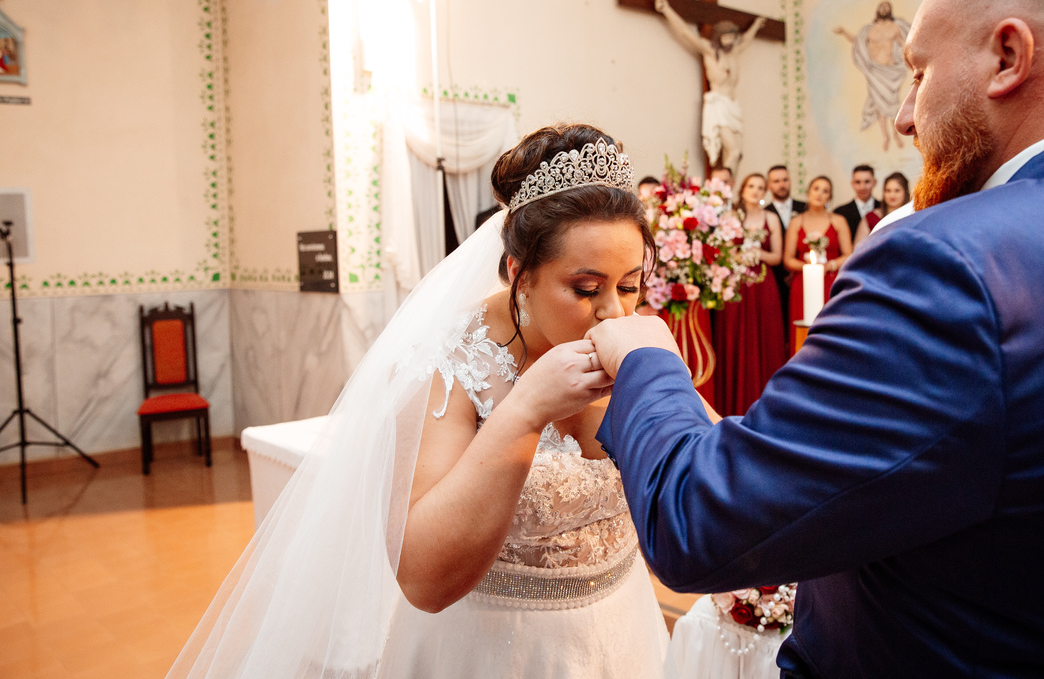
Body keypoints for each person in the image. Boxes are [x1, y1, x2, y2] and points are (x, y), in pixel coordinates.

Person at [566, 0, 1044, 676]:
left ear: (1007, 55)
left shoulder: (950, 263)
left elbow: (700, 524)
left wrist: (646, 356)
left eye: (920, 72)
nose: (903, 116)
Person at [168, 125, 670, 678]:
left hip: (627, 635)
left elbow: (699, 468)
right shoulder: (446, 363)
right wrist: (526, 411)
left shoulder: (634, 339)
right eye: (585, 288)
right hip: (494, 651)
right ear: (518, 276)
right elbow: (423, 578)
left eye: (629, 285)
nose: (614, 314)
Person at [655, 0, 766, 174]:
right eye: (726, 37)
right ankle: (722, 189)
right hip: (719, 104)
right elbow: (685, 32)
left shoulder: (735, 52)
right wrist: (666, 9)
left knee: (738, 154)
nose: (730, 41)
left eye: (732, 37)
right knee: (733, 150)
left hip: (733, 105)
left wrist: (756, 25)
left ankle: (731, 188)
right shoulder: (709, 50)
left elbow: (746, 39)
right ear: (719, 37)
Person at [712, 174, 786, 417]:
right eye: (751, 186)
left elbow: (777, 256)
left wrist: (757, 254)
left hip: (764, 283)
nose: (756, 191)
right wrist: (736, 256)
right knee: (735, 339)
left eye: (760, 187)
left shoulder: (771, 218)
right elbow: (720, 250)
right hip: (735, 284)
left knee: (765, 339)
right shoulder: (730, 216)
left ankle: (768, 406)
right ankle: (732, 406)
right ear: (742, 189)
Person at [782, 176, 852, 347]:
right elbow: (788, 259)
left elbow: (849, 254)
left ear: (830, 196)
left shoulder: (838, 221)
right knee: (804, 330)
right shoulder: (797, 222)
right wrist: (809, 268)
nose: (820, 194)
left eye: (825, 190)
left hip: (831, 282)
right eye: (816, 188)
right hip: (803, 284)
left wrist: (829, 266)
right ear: (809, 191)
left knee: (831, 329)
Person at [833, 1, 911, 151]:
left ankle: (895, 134)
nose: (883, 8)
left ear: (889, 10)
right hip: (875, 71)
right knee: (879, 105)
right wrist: (843, 32)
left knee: (893, 104)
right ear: (877, 10)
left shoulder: (894, 28)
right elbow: (858, 41)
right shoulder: (869, 30)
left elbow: (903, 44)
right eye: (881, 6)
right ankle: (886, 136)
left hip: (890, 71)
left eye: (886, 6)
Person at [764, 165, 806, 337]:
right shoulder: (765, 212)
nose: (781, 184)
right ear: (769, 186)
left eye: (785, 180)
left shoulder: (805, 207)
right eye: (776, 181)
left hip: (802, 275)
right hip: (775, 277)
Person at [854, 171, 909, 245]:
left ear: (905, 192)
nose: (892, 195)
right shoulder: (871, 217)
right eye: (888, 191)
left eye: (897, 191)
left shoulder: (913, 215)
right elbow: (858, 249)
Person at [831, 164, 877, 238]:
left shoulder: (884, 208)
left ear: (874, 182)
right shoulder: (840, 212)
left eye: (867, 182)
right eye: (858, 182)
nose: (862, 187)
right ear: (852, 183)